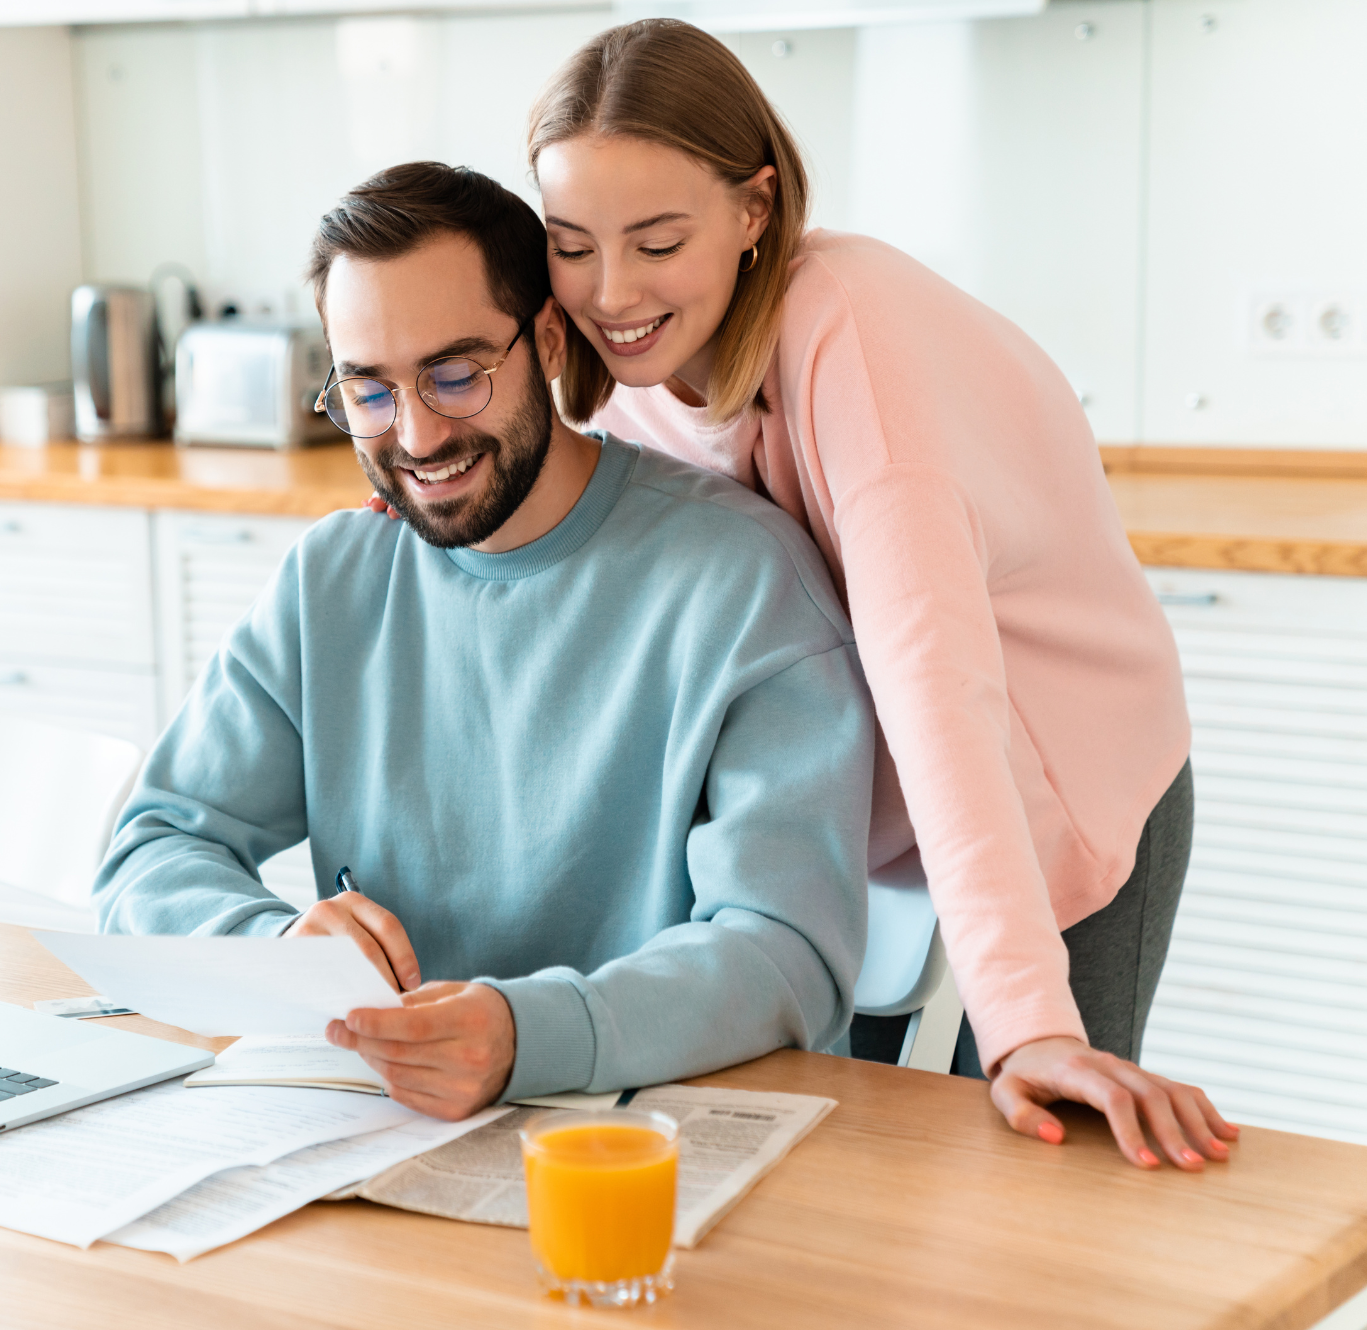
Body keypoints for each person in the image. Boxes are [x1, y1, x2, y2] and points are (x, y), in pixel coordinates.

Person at [516, 17, 1232, 1168]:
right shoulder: (625, 385)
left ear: (753, 209)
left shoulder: (853, 341)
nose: (611, 292)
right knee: (871, 1182)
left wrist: (1027, 1021)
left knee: (1033, 1169)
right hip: (861, 816)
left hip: (1048, 775)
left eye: (656, 241)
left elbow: (931, 677)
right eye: (571, 243)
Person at [94, 161, 876, 1121]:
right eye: (369, 392)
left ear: (548, 337)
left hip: (654, 1135)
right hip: (382, 1128)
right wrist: (274, 949)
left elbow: (789, 952)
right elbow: (152, 847)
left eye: (456, 374)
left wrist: (529, 1036)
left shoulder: (741, 581)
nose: (417, 436)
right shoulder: (333, 578)